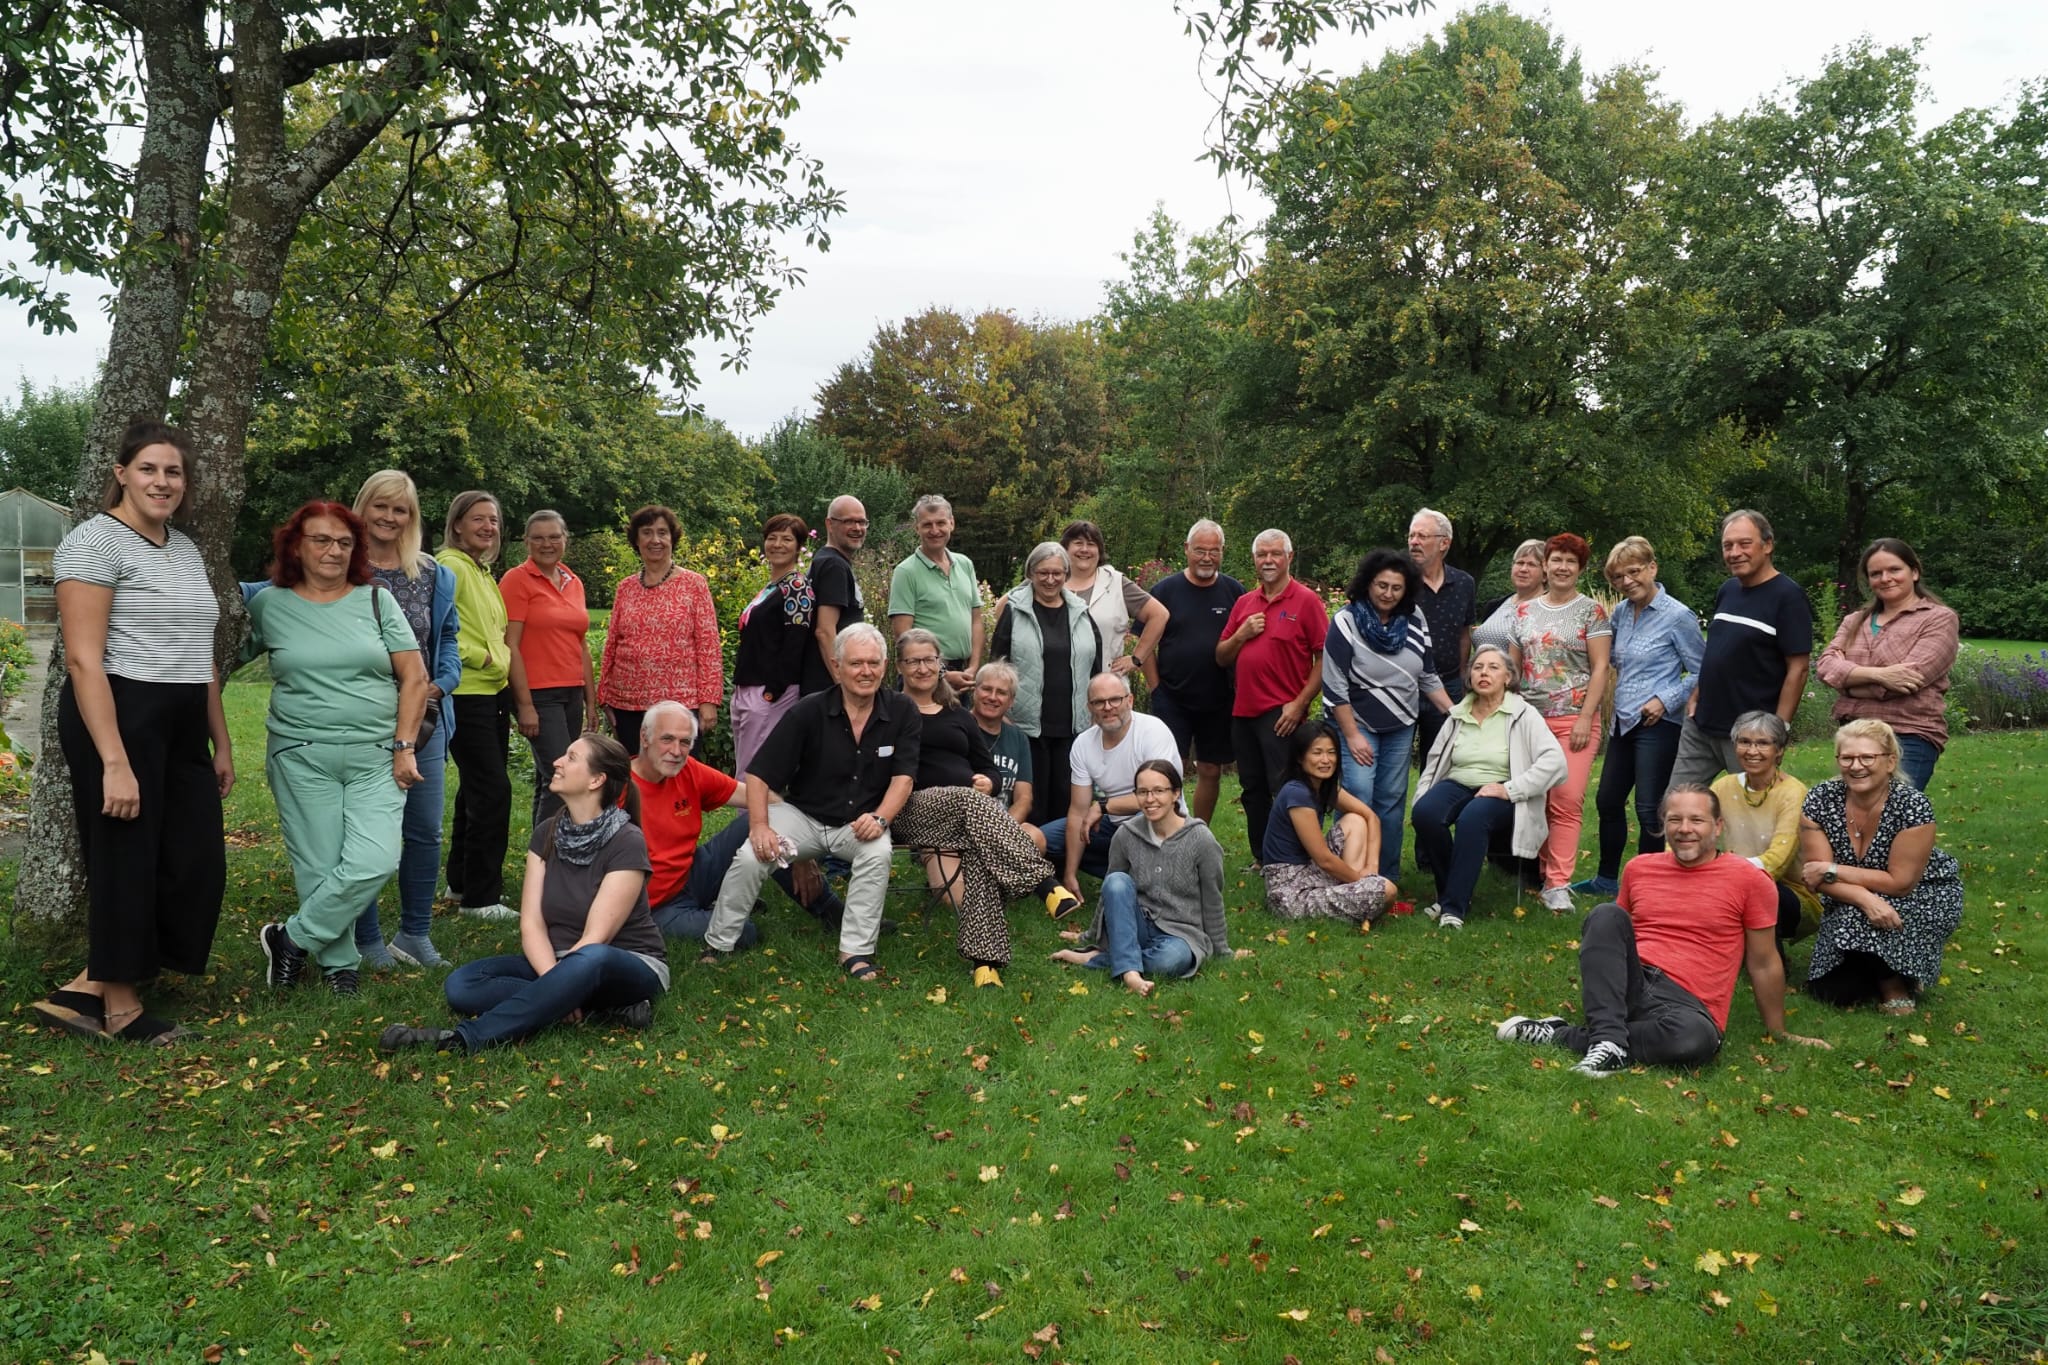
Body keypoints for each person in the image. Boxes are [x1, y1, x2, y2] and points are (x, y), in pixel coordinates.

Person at [34, 421, 232, 1045]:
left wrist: (218, 740)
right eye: (149, 469)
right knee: (127, 856)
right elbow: (83, 659)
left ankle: (87, 984)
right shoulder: (95, 543)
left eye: (173, 472)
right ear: (121, 473)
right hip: (117, 711)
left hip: (181, 718)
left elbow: (200, 653)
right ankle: (120, 1006)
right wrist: (115, 761)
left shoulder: (184, 548)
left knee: (195, 859)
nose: (162, 481)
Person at [1495, 785, 1830, 1077]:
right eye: (1675, 820)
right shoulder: (1640, 868)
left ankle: (1569, 1035)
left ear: (1717, 827)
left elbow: (1763, 961)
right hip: (1633, 981)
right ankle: (1609, 1041)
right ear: (1663, 826)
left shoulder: (1750, 880)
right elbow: (1614, 938)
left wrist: (1778, 1031)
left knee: (1694, 1042)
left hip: (1688, 1003)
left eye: (1697, 820)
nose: (1685, 829)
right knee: (1606, 914)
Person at [376, 734, 667, 1053]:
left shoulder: (627, 841)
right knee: (462, 984)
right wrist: (558, 984)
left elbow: (596, 938)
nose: (557, 762)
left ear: (597, 779)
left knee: (590, 958)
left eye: (571, 758)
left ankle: (464, 1039)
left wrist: (564, 985)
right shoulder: (546, 833)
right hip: (558, 961)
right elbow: (531, 924)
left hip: (625, 963)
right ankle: (602, 1009)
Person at [251, 501, 427, 997]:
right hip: (300, 752)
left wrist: (404, 746)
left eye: (345, 542)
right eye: (321, 540)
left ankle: (291, 939)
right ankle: (340, 968)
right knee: (320, 864)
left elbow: (414, 675)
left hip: (377, 753)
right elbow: (215, 658)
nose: (334, 550)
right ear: (296, 547)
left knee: (375, 859)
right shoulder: (268, 605)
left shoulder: (376, 601)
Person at [702, 625, 919, 979]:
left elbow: (904, 777)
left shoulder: (902, 710)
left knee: (877, 853)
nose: (866, 671)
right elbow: (758, 774)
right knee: (751, 854)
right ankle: (718, 943)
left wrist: (880, 819)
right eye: (856, 663)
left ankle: (855, 952)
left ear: (885, 666)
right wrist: (759, 827)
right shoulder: (809, 710)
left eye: (873, 663)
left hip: (859, 822)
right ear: (837, 666)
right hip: (803, 817)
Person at [892, 629, 1061, 987]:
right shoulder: (890, 710)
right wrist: (974, 791)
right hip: (910, 809)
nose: (923, 668)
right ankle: (1043, 883)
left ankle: (986, 965)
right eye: (913, 661)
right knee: (967, 797)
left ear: (941, 664)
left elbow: (988, 769)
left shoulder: (957, 713)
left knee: (978, 856)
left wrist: (990, 782)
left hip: (961, 817)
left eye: (930, 660)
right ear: (900, 666)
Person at [351, 469, 461, 970]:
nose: (390, 517)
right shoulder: (341, 566)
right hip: (362, 719)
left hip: (425, 721)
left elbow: (448, 640)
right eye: (381, 506)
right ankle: (367, 936)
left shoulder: (434, 574)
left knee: (424, 829)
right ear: (363, 508)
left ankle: (415, 934)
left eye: (400, 509)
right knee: (367, 831)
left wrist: (443, 681)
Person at [628, 700, 839, 947]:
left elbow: (764, 799)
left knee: (766, 821)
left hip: (693, 874)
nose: (676, 751)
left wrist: (801, 855)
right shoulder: (616, 787)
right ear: (645, 737)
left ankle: (831, 911)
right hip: (655, 906)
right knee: (744, 932)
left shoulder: (688, 770)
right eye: (667, 739)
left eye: (685, 742)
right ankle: (725, 906)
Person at [1798, 719, 1965, 1013]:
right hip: (1850, 894)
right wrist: (1864, 897)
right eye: (1847, 757)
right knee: (1832, 992)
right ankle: (1899, 969)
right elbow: (1815, 876)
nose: (1856, 766)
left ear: (1890, 762)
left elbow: (1900, 882)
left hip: (1920, 894)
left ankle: (1893, 984)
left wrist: (1835, 870)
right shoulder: (1820, 798)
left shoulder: (1912, 804)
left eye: (1867, 757)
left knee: (1859, 921)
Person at [1572, 536, 1700, 901]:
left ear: (1652, 568)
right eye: (1617, 578)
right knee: (1608, 800)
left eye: (1633, 572)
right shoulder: (1621, 614)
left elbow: (1701, 668)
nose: (1627, 582)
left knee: (1649, 808)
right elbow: (1609, 660)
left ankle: (1649, 885)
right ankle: (1606, 879)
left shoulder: (1678, 616)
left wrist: (1665, 699)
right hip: (1623, 722)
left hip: (1658, 725)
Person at [1410, 645, 1567, 930]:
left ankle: (1453, 909)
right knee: (1425, 814)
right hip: (1458, 782)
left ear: (1508, 677)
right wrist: (1423, 796)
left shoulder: (1523, 714)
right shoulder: (1458, 714)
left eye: (1494, 667)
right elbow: (1434, 763)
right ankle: (1450, 893)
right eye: (1478, 667)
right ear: (1469, 677)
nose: (1484, 673)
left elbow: (1555, 762)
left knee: (1473, 817)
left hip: (1500, 788)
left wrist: (1510, 789)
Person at [1049, 761, 1231, 996]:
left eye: (1158, 791)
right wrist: (1089, 935)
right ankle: (1131, 974)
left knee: (1171, 961)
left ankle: (1102, 959)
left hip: (1180, 933)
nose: (1150, 799)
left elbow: (1212, 899)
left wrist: (1222, 951)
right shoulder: (1126, 834)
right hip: (1137, 925)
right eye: (1142, 792)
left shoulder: (1201, 839)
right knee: (1116, 880)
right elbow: (1111, 894)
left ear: (1176, 793)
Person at [1323, 549, 1451, 879]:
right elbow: (1334, 684)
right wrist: (1351, 735)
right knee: (1358, 794)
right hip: (1357, 723)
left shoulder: (1415, 620)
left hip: (1401, 724)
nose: (1388, 594)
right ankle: (1347, 875)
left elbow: (1427, 675)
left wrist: (1455, 713)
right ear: (1367, 584)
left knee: (1391, 802)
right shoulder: (1346, 621)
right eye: (1382, 585)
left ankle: (1385, 877)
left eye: (1396, 587)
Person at [1669, 510, 1813, 789]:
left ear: (1767, 545)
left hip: (1751, 735)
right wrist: (1697, 693)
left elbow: (1799, 668)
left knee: (1754, 817)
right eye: (1728, 545)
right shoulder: (1728, 590)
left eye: (1744, 544)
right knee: (1678, 806)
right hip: (1701, 725)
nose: (1735, 552)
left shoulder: (1788, 597)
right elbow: (1717, 651)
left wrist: (1778, 730)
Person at [1508, 533, 1612, 910]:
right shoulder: (1524, 612)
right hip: (1531, 720)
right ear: (1546, 565)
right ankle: (1540, 868)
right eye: (1557, 560)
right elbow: (1514, 667)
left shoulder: (1591, 611)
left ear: (1580, 569)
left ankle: (1557, 884)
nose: (1563, 567)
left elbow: (1601, 667)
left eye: (1571, 561)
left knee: (1566, 800)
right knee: (1536, 796)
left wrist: (1587, 716)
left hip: (1574, 719)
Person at [1815, 539, 1959, 791]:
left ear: (1914, 572)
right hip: (1854, 737)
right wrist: (1880, 675)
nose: (1885, 578)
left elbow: (1909, 680)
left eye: (1894, 570)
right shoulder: (1854, 621)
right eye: (1876, 573)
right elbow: (1825, 666)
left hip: (1908, 736)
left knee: (1893, 815)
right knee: (1857, 816)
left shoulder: (1938, 619)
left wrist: (1847, 683)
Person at [1218, 528, 1328, 855]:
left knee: (1286, 788)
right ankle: (1262, 857)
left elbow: (1324, 658)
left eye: (1275, 554)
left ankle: (1292, 854)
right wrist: (1241, 634)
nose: (1268, 560)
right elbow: (1221, 655)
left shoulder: (1306, 601)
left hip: (1282, 713)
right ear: (1254, 559)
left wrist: (1300, 703)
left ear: (1289, 557)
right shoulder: (1244, 603)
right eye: (1262, 555)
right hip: (1243, 711)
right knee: (1252, 788)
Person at [437, 490, 515, 921]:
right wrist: (480, 656)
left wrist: (496, 662)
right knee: (492, 791)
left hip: (492, 691)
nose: (488, 527)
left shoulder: (481, 571)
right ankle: (481, 898)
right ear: (458, 524)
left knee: (476, 789)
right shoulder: (450, 566)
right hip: (467, 692)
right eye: (479, 519)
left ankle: (460, 883)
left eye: (494, 520)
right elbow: (439, 627)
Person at [1044, 671, 1184, 911]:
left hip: (1157, 822)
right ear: (1090, 707)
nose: (1107, 707)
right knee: (1042, 839)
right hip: (1113, 825)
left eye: (1115, 700)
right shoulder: (1083, 744)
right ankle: (1123, 873)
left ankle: (1149, 878)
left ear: (1129, 700)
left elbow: (1158, 795)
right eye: (1099, 702)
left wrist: (1103, 806)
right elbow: (1078, 811)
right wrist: (1070, 874)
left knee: (1147, 816)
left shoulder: (1153, 731)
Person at [990, 541, 1103, 825]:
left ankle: (1064, 862)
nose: (1050, 579)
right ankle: (1031, 861)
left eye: (1057, 573)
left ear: (1066, 574)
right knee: (1032, 798)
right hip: (1027, 725)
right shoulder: (1015, 611)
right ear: (1030, 573)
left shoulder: (1080, 611)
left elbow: (1095, 664)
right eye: (1043, 573)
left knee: (1067, 797)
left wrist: (1097, 709)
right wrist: (1002, 711)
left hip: (1073, 725)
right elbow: (998, 665)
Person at [599, 503, 722, 756]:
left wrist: (708, 701)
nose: (655, 539)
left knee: (679, 776)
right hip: (628, 703)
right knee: (636, 778)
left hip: (679, 703)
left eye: (662, 532)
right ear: (636, 540)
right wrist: (605, 696)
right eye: (646, 532)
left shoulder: (694, 584)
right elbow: (612, 642)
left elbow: (708, 646)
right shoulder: (626, 588)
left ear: (672, 538)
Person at [1146, 518, 1245, 824]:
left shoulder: (1234, 591)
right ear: (1187, 549)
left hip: (1218, 697)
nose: (1206, 557)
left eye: (1213, 551)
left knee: (1211, 769)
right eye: (1200, 550)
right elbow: (1146, 644)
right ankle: (1167, 831)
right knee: (1167, 770)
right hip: (1172, 696)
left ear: (1222, 552)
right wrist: (1155, 688)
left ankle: (1197, 831)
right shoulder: (1164, 590)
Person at [502, 510, 598, 824]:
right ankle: (546, 858)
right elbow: (510, 644)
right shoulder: (517, 580)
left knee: (552, 779)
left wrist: (590, 701)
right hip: (539, 694)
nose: (547, 544)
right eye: (539, 538)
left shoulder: (573, 581)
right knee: (564, 779)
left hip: (571, 693)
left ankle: (542, 856)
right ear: (526, 542)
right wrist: (525, 704)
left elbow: (580, 643)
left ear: (565, 539)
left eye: (554, 536)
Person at [1261, 723, 1399, 923]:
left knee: (1356, 820)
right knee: (1387, 890)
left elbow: (1371, 817)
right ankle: (1357, 895)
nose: (1325, 760)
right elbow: (1324, 859)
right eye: (1317, 753)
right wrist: (1363, 882)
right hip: (1290, 891)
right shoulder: (1296, 793)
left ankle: (1356, 895)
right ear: (1300, 758)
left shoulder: (1324, 787)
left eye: (1331, 752)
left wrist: (1371, 868)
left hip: (1310, 871)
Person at [1709, 711, 1821, 953]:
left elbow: (1777, 862)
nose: (1752, 751)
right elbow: (1697, 831)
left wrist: (1723, 875)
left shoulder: (1793, 792)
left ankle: (1769, 961)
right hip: (1730, 880)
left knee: (1760, 892)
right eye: (1745, 742)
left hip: (1789, 893)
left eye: (1762, 743)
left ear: (1779, 750)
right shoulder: (1723, 786)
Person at [729, 513, 816, 776]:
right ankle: (747, 817)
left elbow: (795, 643)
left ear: (799, 546)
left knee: (753, 772)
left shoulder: (798, 587)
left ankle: (752, 818)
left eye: (786, 539)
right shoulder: (772, 587)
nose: (777, 544)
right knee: (743, 768)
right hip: (748, 687)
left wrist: (772, 692)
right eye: (772, 538)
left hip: (769, 692)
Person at [1407, 508, 1477, 779]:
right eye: (1412, 535)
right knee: (1395, 764)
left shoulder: (1463, 583)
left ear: (1444, 542)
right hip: (1403, 685)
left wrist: (1461, 676)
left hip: (1447, 683)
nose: (1414, 542)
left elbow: (1464, 632)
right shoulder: (1398, 581)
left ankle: (1427, 818)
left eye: (1422, 536)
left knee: (1438, 764)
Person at [889, 496, 983, 692]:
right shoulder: (906, 572)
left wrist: (973, 668)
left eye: (941, 523)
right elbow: (903, 635)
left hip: (963, 674)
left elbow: (976, 621)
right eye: (927, 525)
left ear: (952, 523)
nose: (935, 530)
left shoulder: (964, 564)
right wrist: (941, 673)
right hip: (924, 676)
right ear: (917, 528)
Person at [1060, 519, 1168, 685]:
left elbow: (1160, 615)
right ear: (1065, 548)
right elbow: (1010, 601)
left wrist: (1136, 658)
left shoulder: (1116, 583)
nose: (1084, 549)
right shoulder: (1050, 580)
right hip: (1057, 686)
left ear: (1099, 550)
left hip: (1106, 690)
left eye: (1091, 544)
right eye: (1078, 543)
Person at [969, 661, 1041, 844]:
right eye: (986, 689)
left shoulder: (1018, 738)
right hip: (964, 825)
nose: (993, 697)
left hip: (1004, 825)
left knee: (1035, 837)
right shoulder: (957, 728)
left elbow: (1024, 798)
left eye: (1001, 692)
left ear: (1011, 701)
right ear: (974, 691)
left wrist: (1002, 829)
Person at [804, 494, 869, 692]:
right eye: (849, 521)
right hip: (828, 685)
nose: (857, 528)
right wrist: (842, 683)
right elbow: (824, 631)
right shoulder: (834, 566)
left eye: (862, 522)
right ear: (830, 524)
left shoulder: (825, 559)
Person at [1471, 539, 1545, 657]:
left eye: (1531, 564)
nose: (1523, 569)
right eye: (1520, 563)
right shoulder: (1494, 606)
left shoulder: (1547, 609)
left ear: (1545, 575)